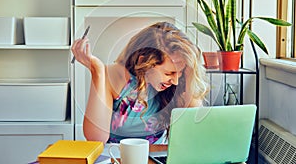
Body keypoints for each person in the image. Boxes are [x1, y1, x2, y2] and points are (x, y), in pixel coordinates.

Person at [71, 21, 209, 144]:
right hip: (116, 157)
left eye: (180, 71)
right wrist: (98, 71)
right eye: (169, 73)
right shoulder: (115, 76)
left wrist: (191, 74)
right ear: (143, 62)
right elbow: (95, 138)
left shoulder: (176, 83)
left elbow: (194, 131)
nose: (175, 80)